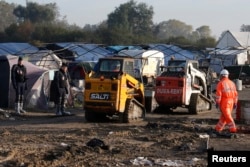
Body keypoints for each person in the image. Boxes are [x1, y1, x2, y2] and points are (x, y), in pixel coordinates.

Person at [215, 69, 238, 133]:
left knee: (227, 116)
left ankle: (233, 128)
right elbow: (235, 94)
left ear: (221, 76)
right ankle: (218, 128)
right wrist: (235, 102)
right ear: (227, 75)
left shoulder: (221, 83)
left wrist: (217, 102)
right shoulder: (232, 83)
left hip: (225, 102)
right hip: (231, 101)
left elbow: (218, 94)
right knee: (224, 116)